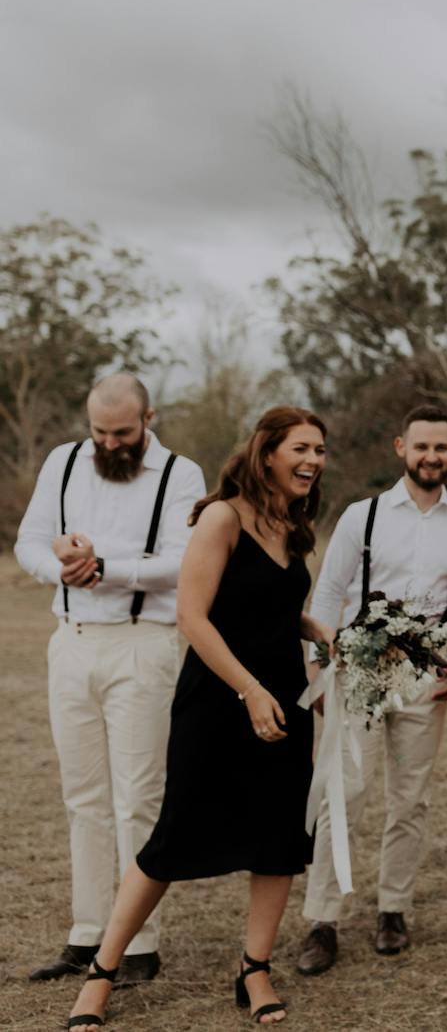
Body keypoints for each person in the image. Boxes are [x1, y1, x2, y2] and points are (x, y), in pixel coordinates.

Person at [65, 406, 333, 1029]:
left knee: (278, 839)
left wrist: (311, 626)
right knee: (172, 839)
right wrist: (249, 689)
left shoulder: (289, 522)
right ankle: (101, 975)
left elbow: (263, 605)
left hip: (285, 700)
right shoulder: (222, 517)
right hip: (219, 701)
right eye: (301, 448)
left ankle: (255, 968)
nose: (314, 461)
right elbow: (194, 615)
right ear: (267, 452)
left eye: (320, 450)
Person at [14, 374, 206, 988]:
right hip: (69, 644)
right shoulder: (63, 461)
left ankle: (139, 945)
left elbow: (186, 562)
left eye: (122, 432)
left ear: (149, 417)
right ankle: (86, 933)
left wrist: (109, 569)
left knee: (138, 800)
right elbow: (28, 541)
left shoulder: (182, 474)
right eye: (100, 432)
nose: (109, 443)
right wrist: (62, 564)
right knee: (82, 798)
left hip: (142, 648)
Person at [294, 405, 447, 973]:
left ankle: (393, 909)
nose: (431, 457)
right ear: (401, 447)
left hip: (426, 678)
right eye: (420, 446)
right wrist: (316, 666)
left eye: (441, 448)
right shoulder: (364, 517)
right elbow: (328, 594)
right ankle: (321, 920)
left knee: (411, 798)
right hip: (359, 671)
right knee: (344, 794)